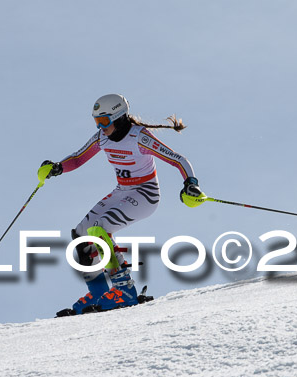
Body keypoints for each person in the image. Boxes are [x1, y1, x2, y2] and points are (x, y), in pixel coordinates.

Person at [39, 94, 204, 314]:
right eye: (97, 122)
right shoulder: (102, 138)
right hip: (123, 190)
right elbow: (78, 158)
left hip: (145, 194)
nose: (100, 127)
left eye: (104, 121)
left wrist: (190, 184)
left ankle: (124, 291)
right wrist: (58, 167)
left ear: (119, 117)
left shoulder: (139, 137)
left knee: (100, 229)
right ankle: (99, 294)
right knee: (81, 234)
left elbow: (178, 159)